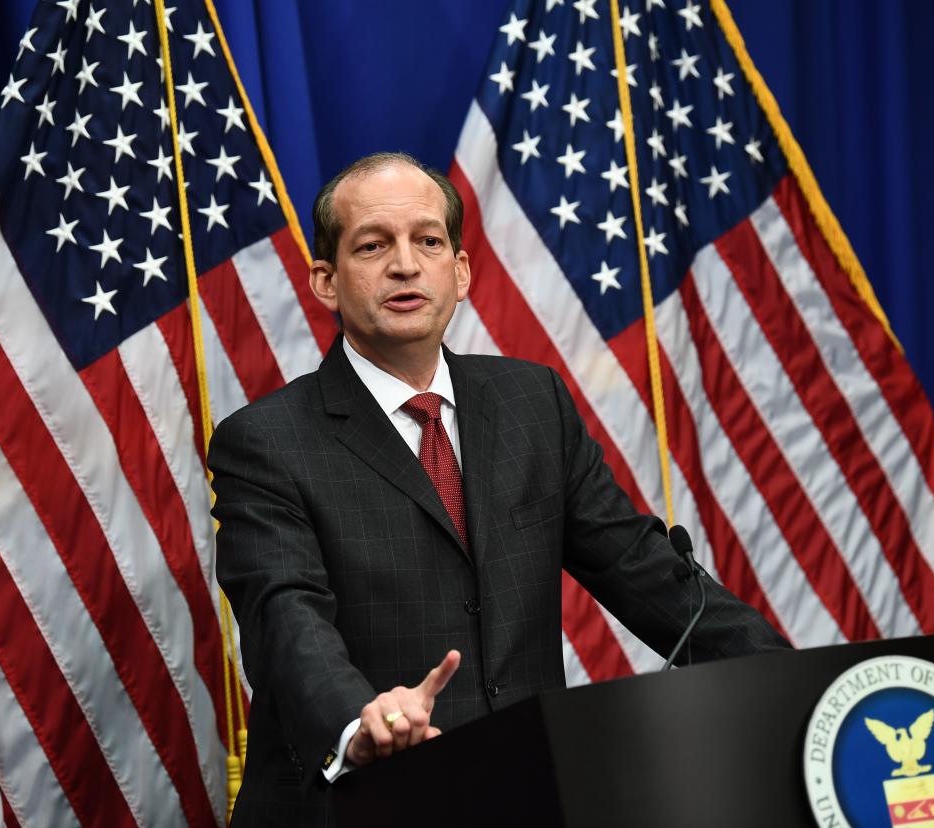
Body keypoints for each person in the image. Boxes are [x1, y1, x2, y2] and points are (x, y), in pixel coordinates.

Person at [209, 152, 789, 826]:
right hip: (357, 807)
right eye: (373, 245)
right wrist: (355, 725)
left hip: (527, 795)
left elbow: (645, 572)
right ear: (326, 282)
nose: (404, 264)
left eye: (428, 241)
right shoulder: (265, 440)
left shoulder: (531, 402)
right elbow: (287, 620)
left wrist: (794, 678)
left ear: (459, 271)